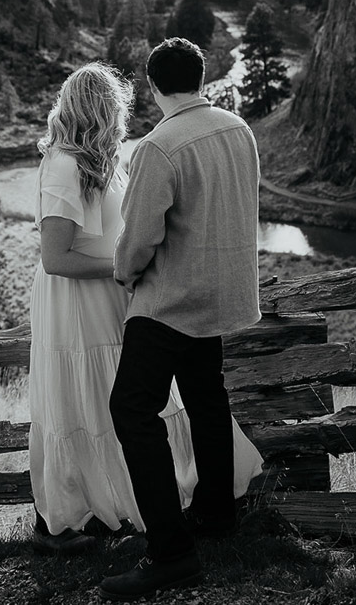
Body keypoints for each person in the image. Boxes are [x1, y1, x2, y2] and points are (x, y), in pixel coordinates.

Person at [28, 60, 261, 555]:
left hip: (122, 298)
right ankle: (63, 519)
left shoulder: (110, 162)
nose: (121, 117)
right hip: (80, 305)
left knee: (126, 406)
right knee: (87, 402)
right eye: (114, 108)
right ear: (99, 110)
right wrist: (121, 269)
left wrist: (133, 270)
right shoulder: (64, 164)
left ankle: (133, 506)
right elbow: (54, 258)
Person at [99, 38, 262, 601]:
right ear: (201, 76)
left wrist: (124, 272)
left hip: (169, 301)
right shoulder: (238, 128)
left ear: (153, 85)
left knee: (131, 409)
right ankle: (217, 517)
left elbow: (139, 238)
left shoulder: (158, 146)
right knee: (207, 399)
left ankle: (170, 552)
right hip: (221, 294)